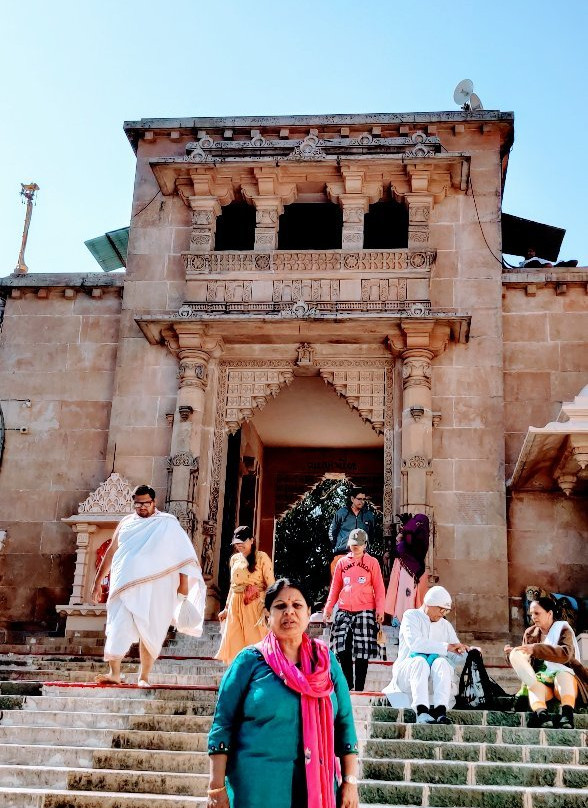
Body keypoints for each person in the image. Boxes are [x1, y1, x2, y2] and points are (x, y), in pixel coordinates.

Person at [207, 578, 359, 808]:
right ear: (268, 615)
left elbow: (345, 722)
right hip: (256, 791)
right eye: (280, 606)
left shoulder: (326, 663)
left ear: (309, 613)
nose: (289, 612)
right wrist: (216, 787)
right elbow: (223, 725)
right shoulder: (249, 662)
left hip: (316, 789)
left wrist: (350, 781)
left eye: (297, 606)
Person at [91, 484, 205, 687]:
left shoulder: (168, 523)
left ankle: (143, 677)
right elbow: (112, 551)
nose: (141, 507)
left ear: (154, 502)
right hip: (124, 584)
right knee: (118, 626)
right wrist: (98, 581)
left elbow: (183, 556)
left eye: (145, 503)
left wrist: (183, 586)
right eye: (138, 503)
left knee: (150, 630)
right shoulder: (126, 522)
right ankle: (114, 673)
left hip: (158, 586)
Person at [383, 585, 469, 724]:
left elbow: (453, 653)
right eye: (441, 609)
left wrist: (466, 652)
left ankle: (441, 712)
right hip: (408, 673)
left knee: (442, 662)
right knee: (420, 661)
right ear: (429, 604)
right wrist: (446, 647)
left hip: (434, 677)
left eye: (446, 611)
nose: (443, 614)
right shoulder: (411, 616)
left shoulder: (445, 625)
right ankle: (421, 712)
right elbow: (415, 644)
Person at [505, 597, 588, 729]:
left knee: (563, 676)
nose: (533, 617)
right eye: (531, 614)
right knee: (532, 684)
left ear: (549, 613)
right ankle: (542, 715)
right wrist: (514, 655)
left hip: (564, 682)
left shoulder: (563, 629)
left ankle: (567, 715)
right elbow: (525, 667)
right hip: (543, 681)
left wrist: (535, 649)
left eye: (537, 613)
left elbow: (566, 654)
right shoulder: (530, 633)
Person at [324, 528, 385, 692]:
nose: (355, 547)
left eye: (358, 545)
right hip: (344, 608)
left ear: (365, 545)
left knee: (362, 650)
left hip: (365, 609)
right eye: (353, 544)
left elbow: (379, 587)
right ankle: (347, 684)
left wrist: (380, 609)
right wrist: (329, 607)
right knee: (341, 646)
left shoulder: (372, 562)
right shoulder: (342, 563)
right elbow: (335, 587)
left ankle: (359, 687)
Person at [215, 525, 275, 665]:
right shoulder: (235, 559)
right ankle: (238, 673)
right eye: (237, 542)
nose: (239, 544)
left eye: (242, 541)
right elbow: (233, 585)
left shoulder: (262, 557)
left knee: (255, 640)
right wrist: (226, 607)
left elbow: (271, 584)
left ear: (252, 540)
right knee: (235, 641)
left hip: (254, 603)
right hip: (235, 605)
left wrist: (269, 606)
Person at [384, 513, 429, 623]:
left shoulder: (418, 539)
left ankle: (407, 622)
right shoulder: (408, 540)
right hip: (405, 569)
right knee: (404, 596)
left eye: (417, 523)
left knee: (408, 597)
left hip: (411, 571)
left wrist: (407, 528)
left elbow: (411, 544)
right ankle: (403, 621)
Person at [329, 486, 374, 574]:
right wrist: (337, 545)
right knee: (339, 584)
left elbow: (371, 533)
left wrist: (367, 546)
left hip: (361, 555)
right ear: (352, 499)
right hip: (342, 553)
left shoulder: (368, 515)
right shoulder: (342, 513)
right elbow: (332, 531)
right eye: (359, 499)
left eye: (364, 499)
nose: (362, 501)